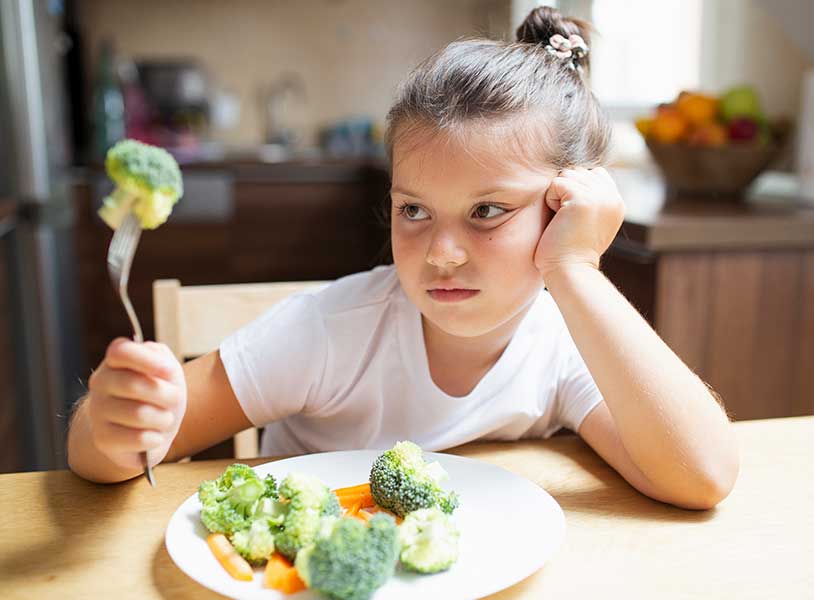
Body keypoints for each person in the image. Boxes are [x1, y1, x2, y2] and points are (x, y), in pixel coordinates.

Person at [68, 7, 738, 510]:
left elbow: (702, 475)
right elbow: (116, 456)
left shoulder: (563, 340)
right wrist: (111, 428)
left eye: (487, 212)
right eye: (414, 210)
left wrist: (576, 270)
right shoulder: (325, 335)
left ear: (566, 205)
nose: (441, 254)